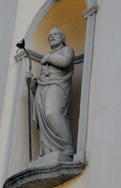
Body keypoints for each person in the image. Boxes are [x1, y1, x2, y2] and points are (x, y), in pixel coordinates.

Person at [26, 27, 75, 161]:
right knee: (44, 120)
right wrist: (32, 84)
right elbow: (43, 77)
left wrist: (48, 57)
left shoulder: (67, 50)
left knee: (52, 113)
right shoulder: (48, 58)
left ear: (62, 38)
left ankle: (67, 146)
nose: (52, 37)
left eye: (55, 34)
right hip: (43, 88)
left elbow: (65, 62)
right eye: (50, 36)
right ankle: (47, 151)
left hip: (57, 85)